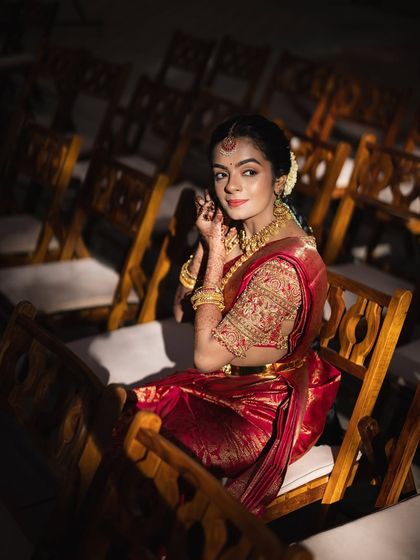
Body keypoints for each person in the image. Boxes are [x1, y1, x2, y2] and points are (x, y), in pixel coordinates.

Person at [128, 115, 340, 516]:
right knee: (132, 417)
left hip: (264, 407)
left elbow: (205, 356)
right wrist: (210, 243)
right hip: (228, 384)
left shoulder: (284, 266)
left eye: (249, 171)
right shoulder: (249, 224)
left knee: (153, 446)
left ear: (279, 179)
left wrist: (215, 252)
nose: (232, 187)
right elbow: (180, 310)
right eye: (221, 174)